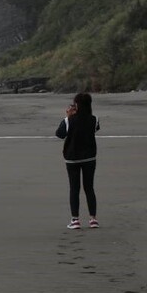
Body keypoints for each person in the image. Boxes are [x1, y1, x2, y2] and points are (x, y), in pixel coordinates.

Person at [55, 92, 101, 229]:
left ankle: (75, 220)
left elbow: (60, 134)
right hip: (89, 157)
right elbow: (95, 129)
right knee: (89, 187)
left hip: (72, 158)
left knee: (74, 188)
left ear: (77, 105)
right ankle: (93, 219)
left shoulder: (69, 121)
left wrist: (68, 116)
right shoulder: (94, 119)